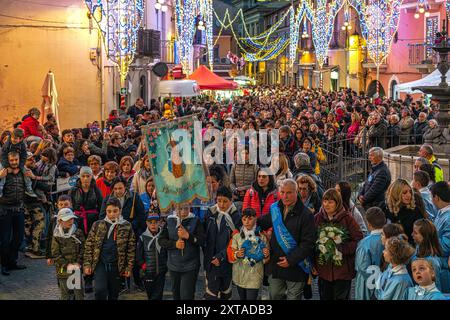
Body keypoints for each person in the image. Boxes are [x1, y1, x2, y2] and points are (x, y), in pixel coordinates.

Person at [257, 179, 316, 300]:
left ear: (296, 192)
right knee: (274, 295)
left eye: (289, 192)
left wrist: (291, 259)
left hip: (296, 267)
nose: (285, 196)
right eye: (282, 192)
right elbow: (262, 222)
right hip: (276, 264)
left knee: (293, 297)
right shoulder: (275, 209)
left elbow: (308, 243)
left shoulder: (306, 215)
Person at [314, 189, 363, 300]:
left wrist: (341, 249)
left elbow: (358, 240)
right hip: (324, 269)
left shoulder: (347, 218)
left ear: (337, 203)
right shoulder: (317, 218)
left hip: (342, 271)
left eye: (331, 202)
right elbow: (311, 240)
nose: (327, 205)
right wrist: (313, 263)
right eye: (325, 201)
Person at [83, 197, 136, 300]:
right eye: (109, 211)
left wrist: (128, 267)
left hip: (117, 265)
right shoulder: (97, 225)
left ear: (120, 211)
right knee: (100, 290)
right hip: (100, 263)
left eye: (115, 211)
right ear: (105, 211)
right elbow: (89, 245)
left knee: (114, 293)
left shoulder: (126, 226)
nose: (112, 214)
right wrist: (87, 264)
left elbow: (131, 249)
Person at [159, 205, 205, 300]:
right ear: (175, 208)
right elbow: (161, 240)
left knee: (186, 296)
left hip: (190, 266)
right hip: (174, 265)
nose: (183, 211)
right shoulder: (169, 221)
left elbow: (202, 241)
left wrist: (188, 236)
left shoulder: (196, 221)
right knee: (176, 295)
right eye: (180, 208)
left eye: (186, 208)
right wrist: (174, 244)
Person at [203, 186, 242, 300]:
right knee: (211, 295)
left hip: (227, 262)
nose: (221, 204)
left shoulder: (236, 217)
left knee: (226, 293)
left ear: (231, 201)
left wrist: (221, 257)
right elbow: (204, 236)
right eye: (219, 201)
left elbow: (236, 242)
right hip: (211, 262)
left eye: (225, 201)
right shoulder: (210, 213)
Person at [227, 208, 270, 300]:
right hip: (239, 275)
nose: (247, 222)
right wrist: (237, 254)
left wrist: (266, 255)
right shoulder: (236, 236)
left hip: (255, 276)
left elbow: (266, 259)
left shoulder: (262, 237)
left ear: (256, 219)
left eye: (250, 219)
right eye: (244, 219)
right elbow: (230, 253)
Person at [0, 152, 27, 276]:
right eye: (12, 160)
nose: (14, 162)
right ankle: (4, 264)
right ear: (8, 160)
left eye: (16, 160)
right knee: (5, 240)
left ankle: (12, 261)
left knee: (18, 238)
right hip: (5, 210)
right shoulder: (3, 172)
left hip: (19, 209)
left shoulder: (23, 171)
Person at [51, 208, 85, 300]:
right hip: (63, 270)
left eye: (72, 219)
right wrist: (68, 265)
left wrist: (78, 262)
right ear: (60, 221)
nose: (71, 221)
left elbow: (83, 249)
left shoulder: (78, 233)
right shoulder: (56, 235)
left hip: (76, 269)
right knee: (65, 294)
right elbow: (55, 254)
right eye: (67, 219)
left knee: (79, 294)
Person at [355, 207, 386, 300]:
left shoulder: (364, 243)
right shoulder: (392, 239)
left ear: (368, 224)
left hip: (367, 284)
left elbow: (362, 267)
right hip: (386, 281)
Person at [383, 179, 426, 245]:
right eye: (404, 192)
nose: (409, 195)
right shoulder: (386, 209)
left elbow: (421, 236)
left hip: (409, 250)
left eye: (410, 192)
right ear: (396, 193)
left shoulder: (415, 211)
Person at [136, 212, 168, 300]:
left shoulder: (163, 236)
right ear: (146, 223)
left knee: (158, 294)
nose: (153, 225)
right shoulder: (143, 237)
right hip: (148, 272)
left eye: (156, 222)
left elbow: (166, 252)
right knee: (150, 294)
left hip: (161, 271)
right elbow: (138, 255)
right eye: (150, 222)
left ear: (160, 223)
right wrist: (143, 265)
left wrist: (166, 265)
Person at [411, 219, 448, 293]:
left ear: (425, 237)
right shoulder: (418, 248)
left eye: (415, 233)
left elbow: (436, 289)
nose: (412, 234)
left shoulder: (432, 262)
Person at [0, 128, 37, 198]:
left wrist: (20, 167)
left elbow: (23, 156)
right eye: (13, 138)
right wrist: (7, 166)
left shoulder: (22, 145)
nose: (13, 140)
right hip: (6, 162)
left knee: (26, 171)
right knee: (2, 173)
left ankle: (29, 188)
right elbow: (3, 156)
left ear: (21, 139)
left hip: (18, 162)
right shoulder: (7, 144)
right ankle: (0, 189)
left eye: (16, 138)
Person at [375, 236, 415, 300]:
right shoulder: (390, 267)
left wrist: (378, 286)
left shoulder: (401, 281)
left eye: (385, 249)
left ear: (392, 255)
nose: (383, 252)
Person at [430, 181, 450, 293]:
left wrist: (427, 242)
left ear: (436, 197)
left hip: (444, 268)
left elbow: (446, 246)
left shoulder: (448, 217)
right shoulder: (441, 212)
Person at [46, 194, 73, 267]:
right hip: (58, 255)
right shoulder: (54, 220)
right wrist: (49, 256)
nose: (63, 206)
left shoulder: (76, 219)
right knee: (61, 275)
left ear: (71, 205)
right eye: (61, 204)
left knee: (75, 276)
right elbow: (49, 238)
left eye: (66, 204)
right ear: (57, 205)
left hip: (73, 255)